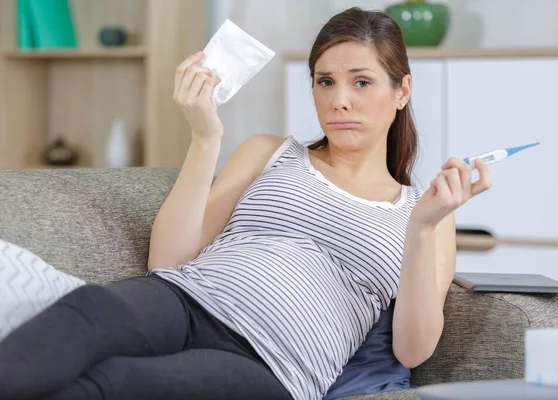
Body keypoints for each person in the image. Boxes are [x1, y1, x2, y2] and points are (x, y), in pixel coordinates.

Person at [0, 7, 491, 400]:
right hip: (185, 299)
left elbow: (412, 349)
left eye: (361, 82)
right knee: (89, 312)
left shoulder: (423, 213)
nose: (340, 100)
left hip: (272, 362)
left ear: (401, 90)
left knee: (117, 384)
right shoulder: (268, 151)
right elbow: (167, 262)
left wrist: (423, 228)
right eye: (325, 81)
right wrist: (205, 138)